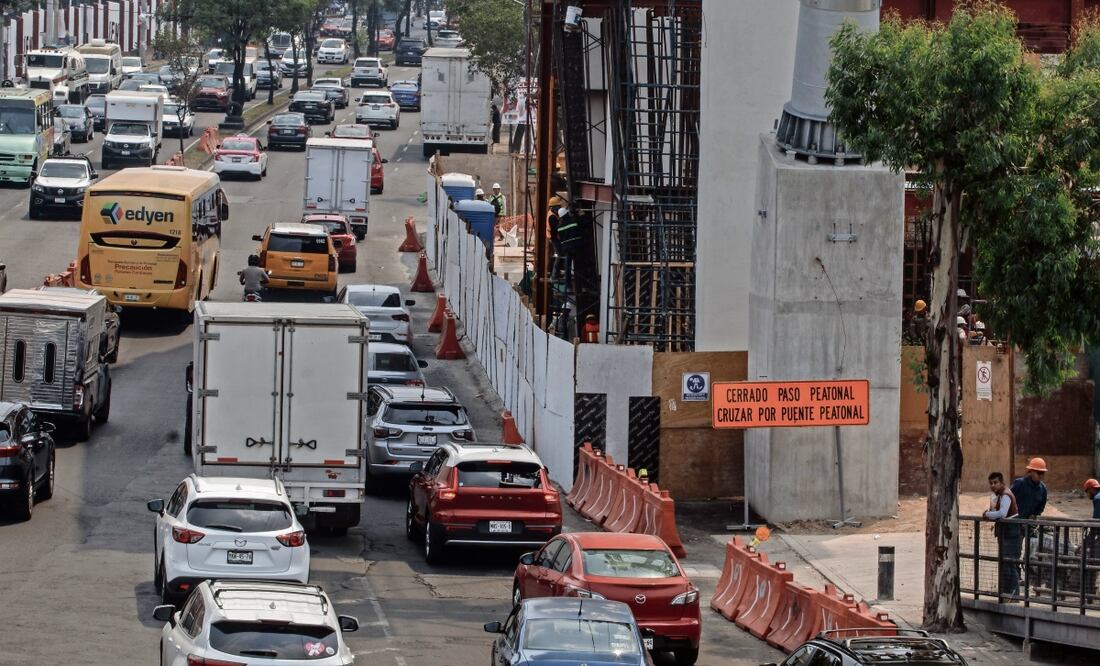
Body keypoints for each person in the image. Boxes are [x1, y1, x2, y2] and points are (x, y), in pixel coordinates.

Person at [984, 471, 1020, 596]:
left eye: (995, 482)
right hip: (1006, 533)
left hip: (1010, 534)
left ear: (1002, 482)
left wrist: (987, 514)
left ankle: (1013, 595)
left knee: (1009, 564)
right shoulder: (999, 495)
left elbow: (1002, 514)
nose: (993, 485)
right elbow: (997, 511)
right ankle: (1007, 593)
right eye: (991, 483)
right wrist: (992, 508)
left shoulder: (1005, 495)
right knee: (1006, 564)